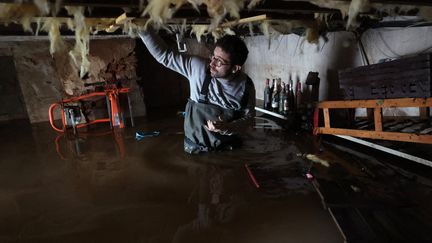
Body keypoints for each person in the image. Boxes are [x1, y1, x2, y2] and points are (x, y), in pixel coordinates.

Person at [139, 28, 256, 154]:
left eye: (219, 62)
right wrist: (143, 29)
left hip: (229, 152)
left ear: (235, 68)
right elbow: (165, 56)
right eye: (213, 57)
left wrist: (228, 127)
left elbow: (249, 119)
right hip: (196, 151)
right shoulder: (198, 68)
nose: (212, 64)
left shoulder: (246, 86)